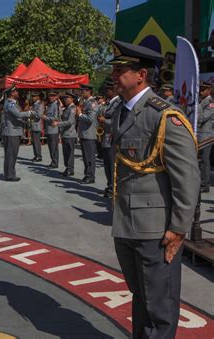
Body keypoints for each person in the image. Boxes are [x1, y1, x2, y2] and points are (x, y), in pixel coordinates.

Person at [109, 40, 199, 338]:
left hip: (156, 230)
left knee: (159, 306)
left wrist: (179, 227)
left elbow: (186, 176)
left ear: (141, 75)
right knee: (141, 298)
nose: (114, 75)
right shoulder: (122, 111)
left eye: (120, 70)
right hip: (126, 224)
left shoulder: (164, 116)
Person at [2, 86, 34, 181]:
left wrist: (23, 122)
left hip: (12, 131)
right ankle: (10, 175)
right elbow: (18, 114)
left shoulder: (11, 103)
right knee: (11, 154)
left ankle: (9, 173)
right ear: (11, 93)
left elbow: (16, 117)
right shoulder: (10, 104)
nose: (17, 93)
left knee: (10, 154)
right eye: (16, 91)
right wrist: (29, 113)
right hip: (12, 132)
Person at [98, 79, 121, 197]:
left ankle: (114, 187)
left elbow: (117, 121)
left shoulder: (118, 102)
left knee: (112, 164)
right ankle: (109, 185)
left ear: (114, 90)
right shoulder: (109, 103)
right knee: (107, 163)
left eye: (109, 89)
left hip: (112, 136)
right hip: (106, 136)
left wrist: (104, 121)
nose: (107, 91)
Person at [77, 84, 98, 184]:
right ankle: (87, 175)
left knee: (89, 156)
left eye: (83, 91)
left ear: (89, 91)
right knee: (86, 156)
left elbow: (90, 119)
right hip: (84, 133)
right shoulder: (86, 103)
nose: (82, 93)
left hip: (89, 134)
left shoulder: (92, 103)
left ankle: (90, 176)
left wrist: (80, 114)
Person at [54, 92, 77, 176]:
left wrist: (58, 124)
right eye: (64, 98)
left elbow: (70, 122)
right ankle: (68, 168)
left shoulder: (72, 108)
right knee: (66, 152)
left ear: (72, 99)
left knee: (69, 152)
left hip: (70, 134)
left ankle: (70, 169)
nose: (65, 100)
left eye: (67, 98)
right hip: (65, 133)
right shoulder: (67, 108)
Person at [198, 80, 214, 193]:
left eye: (203, 90)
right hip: (201, 135)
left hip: (206, 137)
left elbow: (202, 118)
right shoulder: (202, 101)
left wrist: (196, 108)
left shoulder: (210, 103)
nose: (200, 92)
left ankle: (205, 184)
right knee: (201, 160)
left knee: (204, 160)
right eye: (200, 89)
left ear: (209, 90)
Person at [42, 91, 61, 168]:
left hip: (53, 129)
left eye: (53, 96)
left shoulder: (56, 105)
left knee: (54, 147)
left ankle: (55, 162)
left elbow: (56, 118)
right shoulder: (50, 105)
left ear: (56, 97)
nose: (51, 97)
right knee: (51, 147)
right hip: (49, 129)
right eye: (50, 96)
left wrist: (45, 118)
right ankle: (53, 161)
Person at [30, 92, 45, 162]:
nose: (33, 98)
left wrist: (31, 112)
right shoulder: (34, 104)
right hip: (33, 124)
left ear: (38, 97)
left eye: (34, 96)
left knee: (36, 142)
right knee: (34, 141)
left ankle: (39, 156)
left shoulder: (40, 104)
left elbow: (39, 115)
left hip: (37, 125)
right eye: (32, 97)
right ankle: (36, 155)